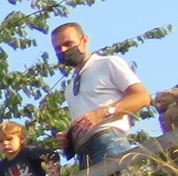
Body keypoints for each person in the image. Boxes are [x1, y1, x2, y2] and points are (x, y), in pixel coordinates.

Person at [52, 22, 151, 167]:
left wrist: (104, 112)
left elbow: (142, 97)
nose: (63, 50)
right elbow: (87, 119)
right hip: (83, 153)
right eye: (58, 48)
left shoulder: (108, 63)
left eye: (68, 44)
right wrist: (69, 135)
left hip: (108, 140)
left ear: (84, 40)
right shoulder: (70, 88)